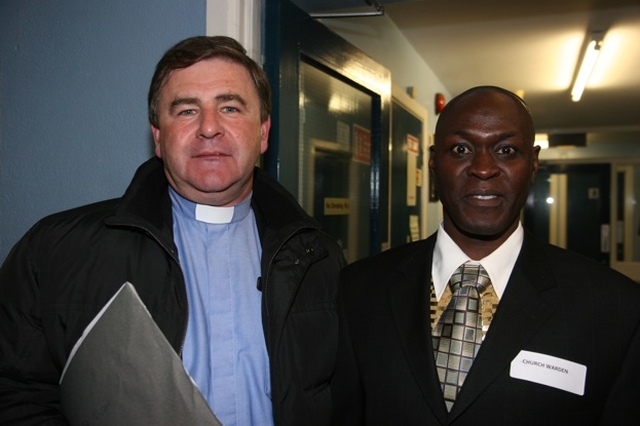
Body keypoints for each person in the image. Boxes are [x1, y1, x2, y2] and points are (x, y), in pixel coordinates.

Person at [0, 35, 345, 426]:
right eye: (185, 111)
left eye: (230, 107)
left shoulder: (319, 258)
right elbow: (17, 396)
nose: (209, 128)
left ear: (263, 133)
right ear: (159, 138)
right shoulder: (53, 252)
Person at [330, 86, 640, 425]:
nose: (482, 168)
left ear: (533, 164)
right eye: (461, 149)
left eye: (506, 150)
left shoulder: (616, 309)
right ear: (434, 163)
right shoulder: (358, 290)